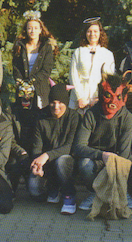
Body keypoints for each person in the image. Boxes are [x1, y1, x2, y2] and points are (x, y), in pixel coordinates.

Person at [72, 70, 132, 211]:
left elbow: (124, 153)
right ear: (101, 95)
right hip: (96, 158)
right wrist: (101, 155)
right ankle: (95, 192)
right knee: (84, 165)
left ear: (124, 98)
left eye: (118, 97)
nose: (113, 102)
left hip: (118, 158)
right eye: (108, 96)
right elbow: (79, 146)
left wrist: (113, 163)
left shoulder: (127, 118)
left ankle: (122, 191)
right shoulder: (91, 114)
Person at [28, 84, 80, 214]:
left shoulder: (74, 117)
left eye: (60, 102)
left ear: (66, 103)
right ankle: (53, 187)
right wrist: (37, 165)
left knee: (62, 161)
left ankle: (69, 196)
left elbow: (70, 146)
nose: (56, 107)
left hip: (67, 162)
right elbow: (36, 147)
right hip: (47, 164)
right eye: (53, 102)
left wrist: (47, 155)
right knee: (34, 190)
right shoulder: (41, 117)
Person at [12, 10, 56, 110]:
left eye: (36, 28)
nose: (33, 31)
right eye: (30, 28)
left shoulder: (46, 47)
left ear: (40, 30)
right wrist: (22, 83)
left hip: (40, 88)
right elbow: (16, 67)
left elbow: (46, 70)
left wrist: (31, 81)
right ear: (26, 30)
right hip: (23, 89)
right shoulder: (20, 46)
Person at [69, 17, 116, 112]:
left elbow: (108, 79)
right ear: (85, 33)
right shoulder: (78, 52)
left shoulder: (107, 54)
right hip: (79, 101)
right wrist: (80, 97)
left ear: (100, 33)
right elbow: (73, 76)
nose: (92, 34)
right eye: (89, 31)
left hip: (98, 100)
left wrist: (98, 97)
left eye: (95, 31)